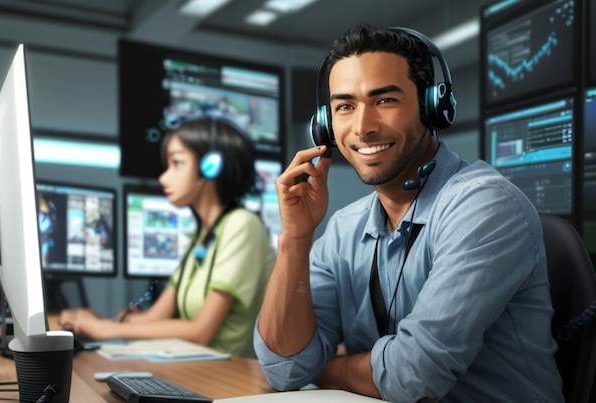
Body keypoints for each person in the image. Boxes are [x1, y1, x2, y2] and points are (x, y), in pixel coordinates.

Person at [253, 24, 564, 401]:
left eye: (385, 100)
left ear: (433, 107)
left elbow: (413, 377)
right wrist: (295, 239)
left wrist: (327, 368)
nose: (363, 127)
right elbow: (285, 369)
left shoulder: (485, 206)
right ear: (326, 124)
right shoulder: (343, 230)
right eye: (345, 106)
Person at [60, 115, 275, 358]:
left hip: (230, 379)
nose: (163, 177)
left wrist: (104, 330)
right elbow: (155, 317)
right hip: (196, 368)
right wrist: (102, 321)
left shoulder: (243, 226)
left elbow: (200, 332)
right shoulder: (202, 234)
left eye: (177, 163)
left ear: (210, 166)